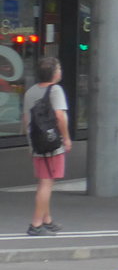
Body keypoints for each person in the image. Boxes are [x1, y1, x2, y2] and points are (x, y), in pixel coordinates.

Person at [22, 56, 71, 236]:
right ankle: (36, 224)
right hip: (52, 143)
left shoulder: (30, 92)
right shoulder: (56, 90)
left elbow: (26, 120)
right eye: (59, 68)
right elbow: (60, 116)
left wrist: (31, 144)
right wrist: (66, 138)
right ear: (54, 73)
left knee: (44, 180)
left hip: (37, 143)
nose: (60, 71)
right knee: (46, 183)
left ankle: (47, 219)